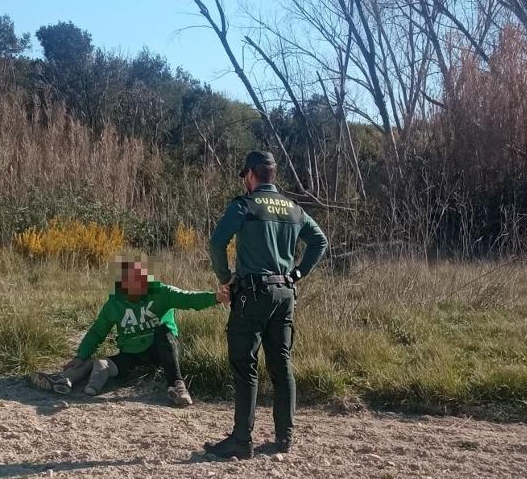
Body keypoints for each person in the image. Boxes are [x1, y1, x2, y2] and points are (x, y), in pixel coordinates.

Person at [203, 150, 328, 459]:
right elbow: (320, 241)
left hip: (252, 295)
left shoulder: (244, 205)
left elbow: (217, 242)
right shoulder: (293, 207)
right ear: (272, 175)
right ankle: (284, 437)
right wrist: (297, 273)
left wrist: (226, 278)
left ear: (250, 175)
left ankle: (241, 441)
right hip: (285, 294)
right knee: (281, 365)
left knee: (245, 367)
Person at [29, 259, 228, 406]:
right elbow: (98, 331)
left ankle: (176, 384)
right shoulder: (115, 303)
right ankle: (69, 379)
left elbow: (189, 299)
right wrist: (81, 355)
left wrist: (216, 298)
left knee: (164, 333)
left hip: (162, 348)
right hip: (132, 352)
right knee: (108, 364)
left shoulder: (162, 292)